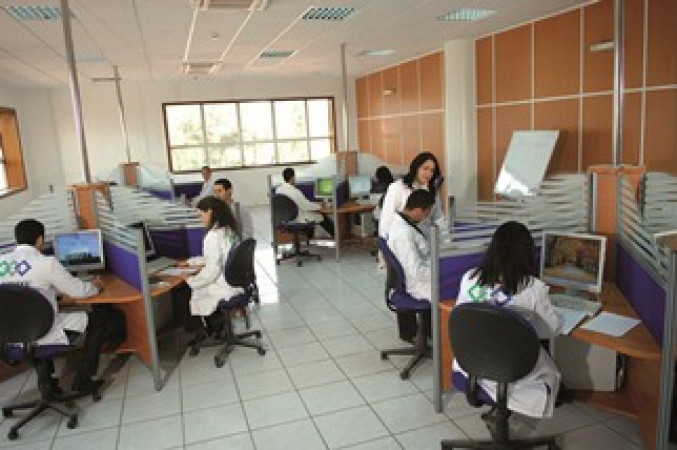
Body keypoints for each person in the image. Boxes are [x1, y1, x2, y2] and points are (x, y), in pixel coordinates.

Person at [453, 221, 562, 419]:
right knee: (550, 374)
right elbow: (549, 331)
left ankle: (499, 411)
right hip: (515, 371)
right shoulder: (534, 288)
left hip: (472, 365)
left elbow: (461, 320)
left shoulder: (469, 279)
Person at [0, 219, 113, 394]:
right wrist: (96, 286)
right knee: (99, 318)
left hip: (12, 337)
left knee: (34, 320)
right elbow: (79, 291)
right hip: (45, 332)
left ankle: (47, 385)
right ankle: (84, 380)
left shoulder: (2, 263)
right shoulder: (46, 263)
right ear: (39, 239)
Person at [172, 196, 243, 345]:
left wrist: (191, 280)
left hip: (224, 285)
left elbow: (213, 270)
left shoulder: (212, 236)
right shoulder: (228, 230)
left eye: (201, 214)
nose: (200, 218)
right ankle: (217, 326)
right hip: (236, 281)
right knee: (190, 288)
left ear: (210, 212)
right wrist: (191, 262)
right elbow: (216, 258)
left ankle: (200, 332)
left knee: (181, 292)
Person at [378, 151, 444, 240]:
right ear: (416, 167)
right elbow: (387, 218)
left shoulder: (432, 190)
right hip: (402, 239)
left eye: (432, 171)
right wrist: (384, 243)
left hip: (426, 239)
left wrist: (446, 240)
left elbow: (438, 218)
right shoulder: (397, 187)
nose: (428, 173)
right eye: (425, 168)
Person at [386, 189, 436, 301]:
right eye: (427, 213)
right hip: (418, 285)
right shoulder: (403, 235)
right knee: (456, 289)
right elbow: (415, 271)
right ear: (418, 210)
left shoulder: (405, 223)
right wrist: (441, 270)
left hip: (423, 274)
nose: (426, 217)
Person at [274, 167, 335, 238]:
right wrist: (320, 206)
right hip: (298, 218)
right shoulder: (294, 191)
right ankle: (335, 236)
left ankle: (309, 238)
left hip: (285, 218)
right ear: (292, 177)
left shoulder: (278, 190)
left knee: (314, 215)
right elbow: (306, 206)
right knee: (321, 217)